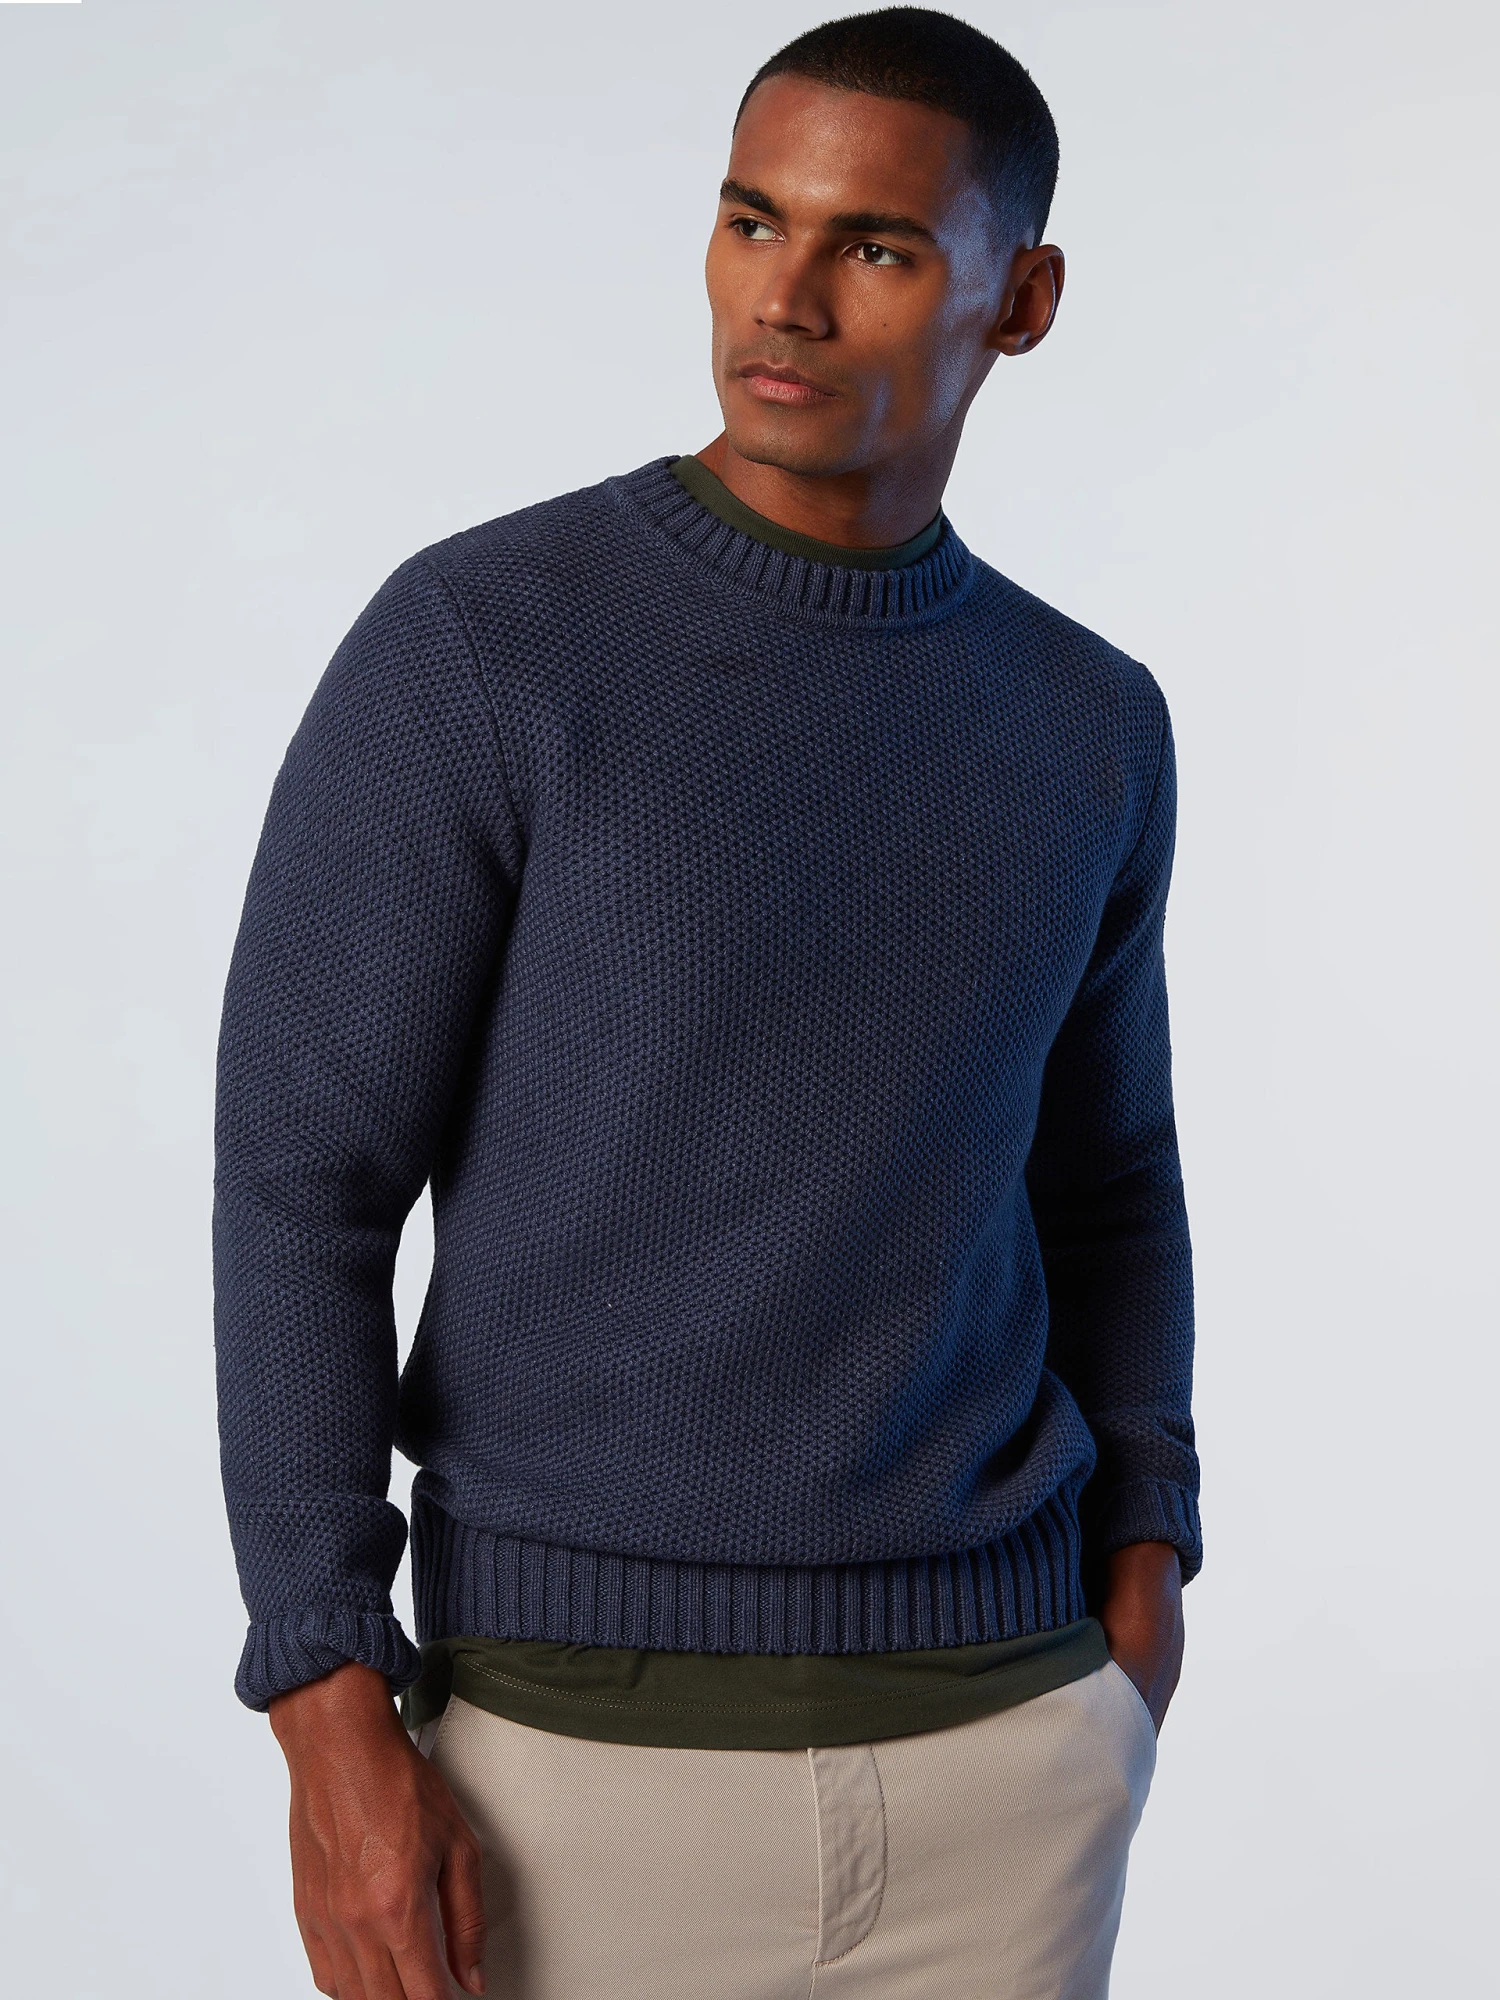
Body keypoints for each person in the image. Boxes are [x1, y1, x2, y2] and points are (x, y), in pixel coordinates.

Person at [213, 9, 1200, 1997]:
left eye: (877, 247)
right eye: (755, 221)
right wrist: (327, 1700)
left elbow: (1108, 1183)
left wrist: (1148, 1567)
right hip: (567, 1764)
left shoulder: (1087, 721)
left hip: (1003, 1756)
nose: (786, 297)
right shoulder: (486, 644)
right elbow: (304, 1185)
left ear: (1022, 300)